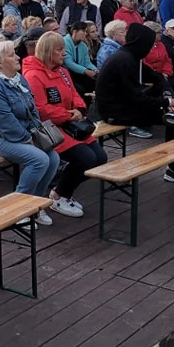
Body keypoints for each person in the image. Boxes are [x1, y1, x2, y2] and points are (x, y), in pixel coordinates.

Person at [96, 23, 174, 183]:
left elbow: (158, 77)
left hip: (127, 104)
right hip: (114, 112)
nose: (151, 48)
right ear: (140, 43)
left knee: (170, 113)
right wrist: (167, 102)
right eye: (150, 44)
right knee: (171, 119)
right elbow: (136, 97)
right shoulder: (123, 61)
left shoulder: (133, 57)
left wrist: (167, 96)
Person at [23, 32, 108, 217]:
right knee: (85, 159)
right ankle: (59, 195)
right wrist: (68, 116)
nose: (64, 54)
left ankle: (61, 189)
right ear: (47, 52)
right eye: (60, 50)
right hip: (50, 129)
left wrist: (79, 109)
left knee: (100, 157)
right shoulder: (33, 75)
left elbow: (74, 93)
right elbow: (40, 109)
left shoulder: (62, 71)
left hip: (71, 125)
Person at [0, 41, 55, 224]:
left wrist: (38, 133)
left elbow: (32, 108)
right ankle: (18, 209)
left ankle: (36, 203)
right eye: (11, 55)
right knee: (39, 159)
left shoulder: (18, 78)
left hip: (20, 133)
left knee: (53, 157)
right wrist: (29, 140)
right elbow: (5, 124)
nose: (18, 57)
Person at [63, 22, 98, 95]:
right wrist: (86, 71)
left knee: (95, 82)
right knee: (80, 89)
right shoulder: (65, 43)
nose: (86, 34)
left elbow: (87, 62)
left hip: (79, 74)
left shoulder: (83, 46)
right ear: (75, 32)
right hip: (67, 74)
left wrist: (95, 70)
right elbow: (69, 63)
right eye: (84, 31)